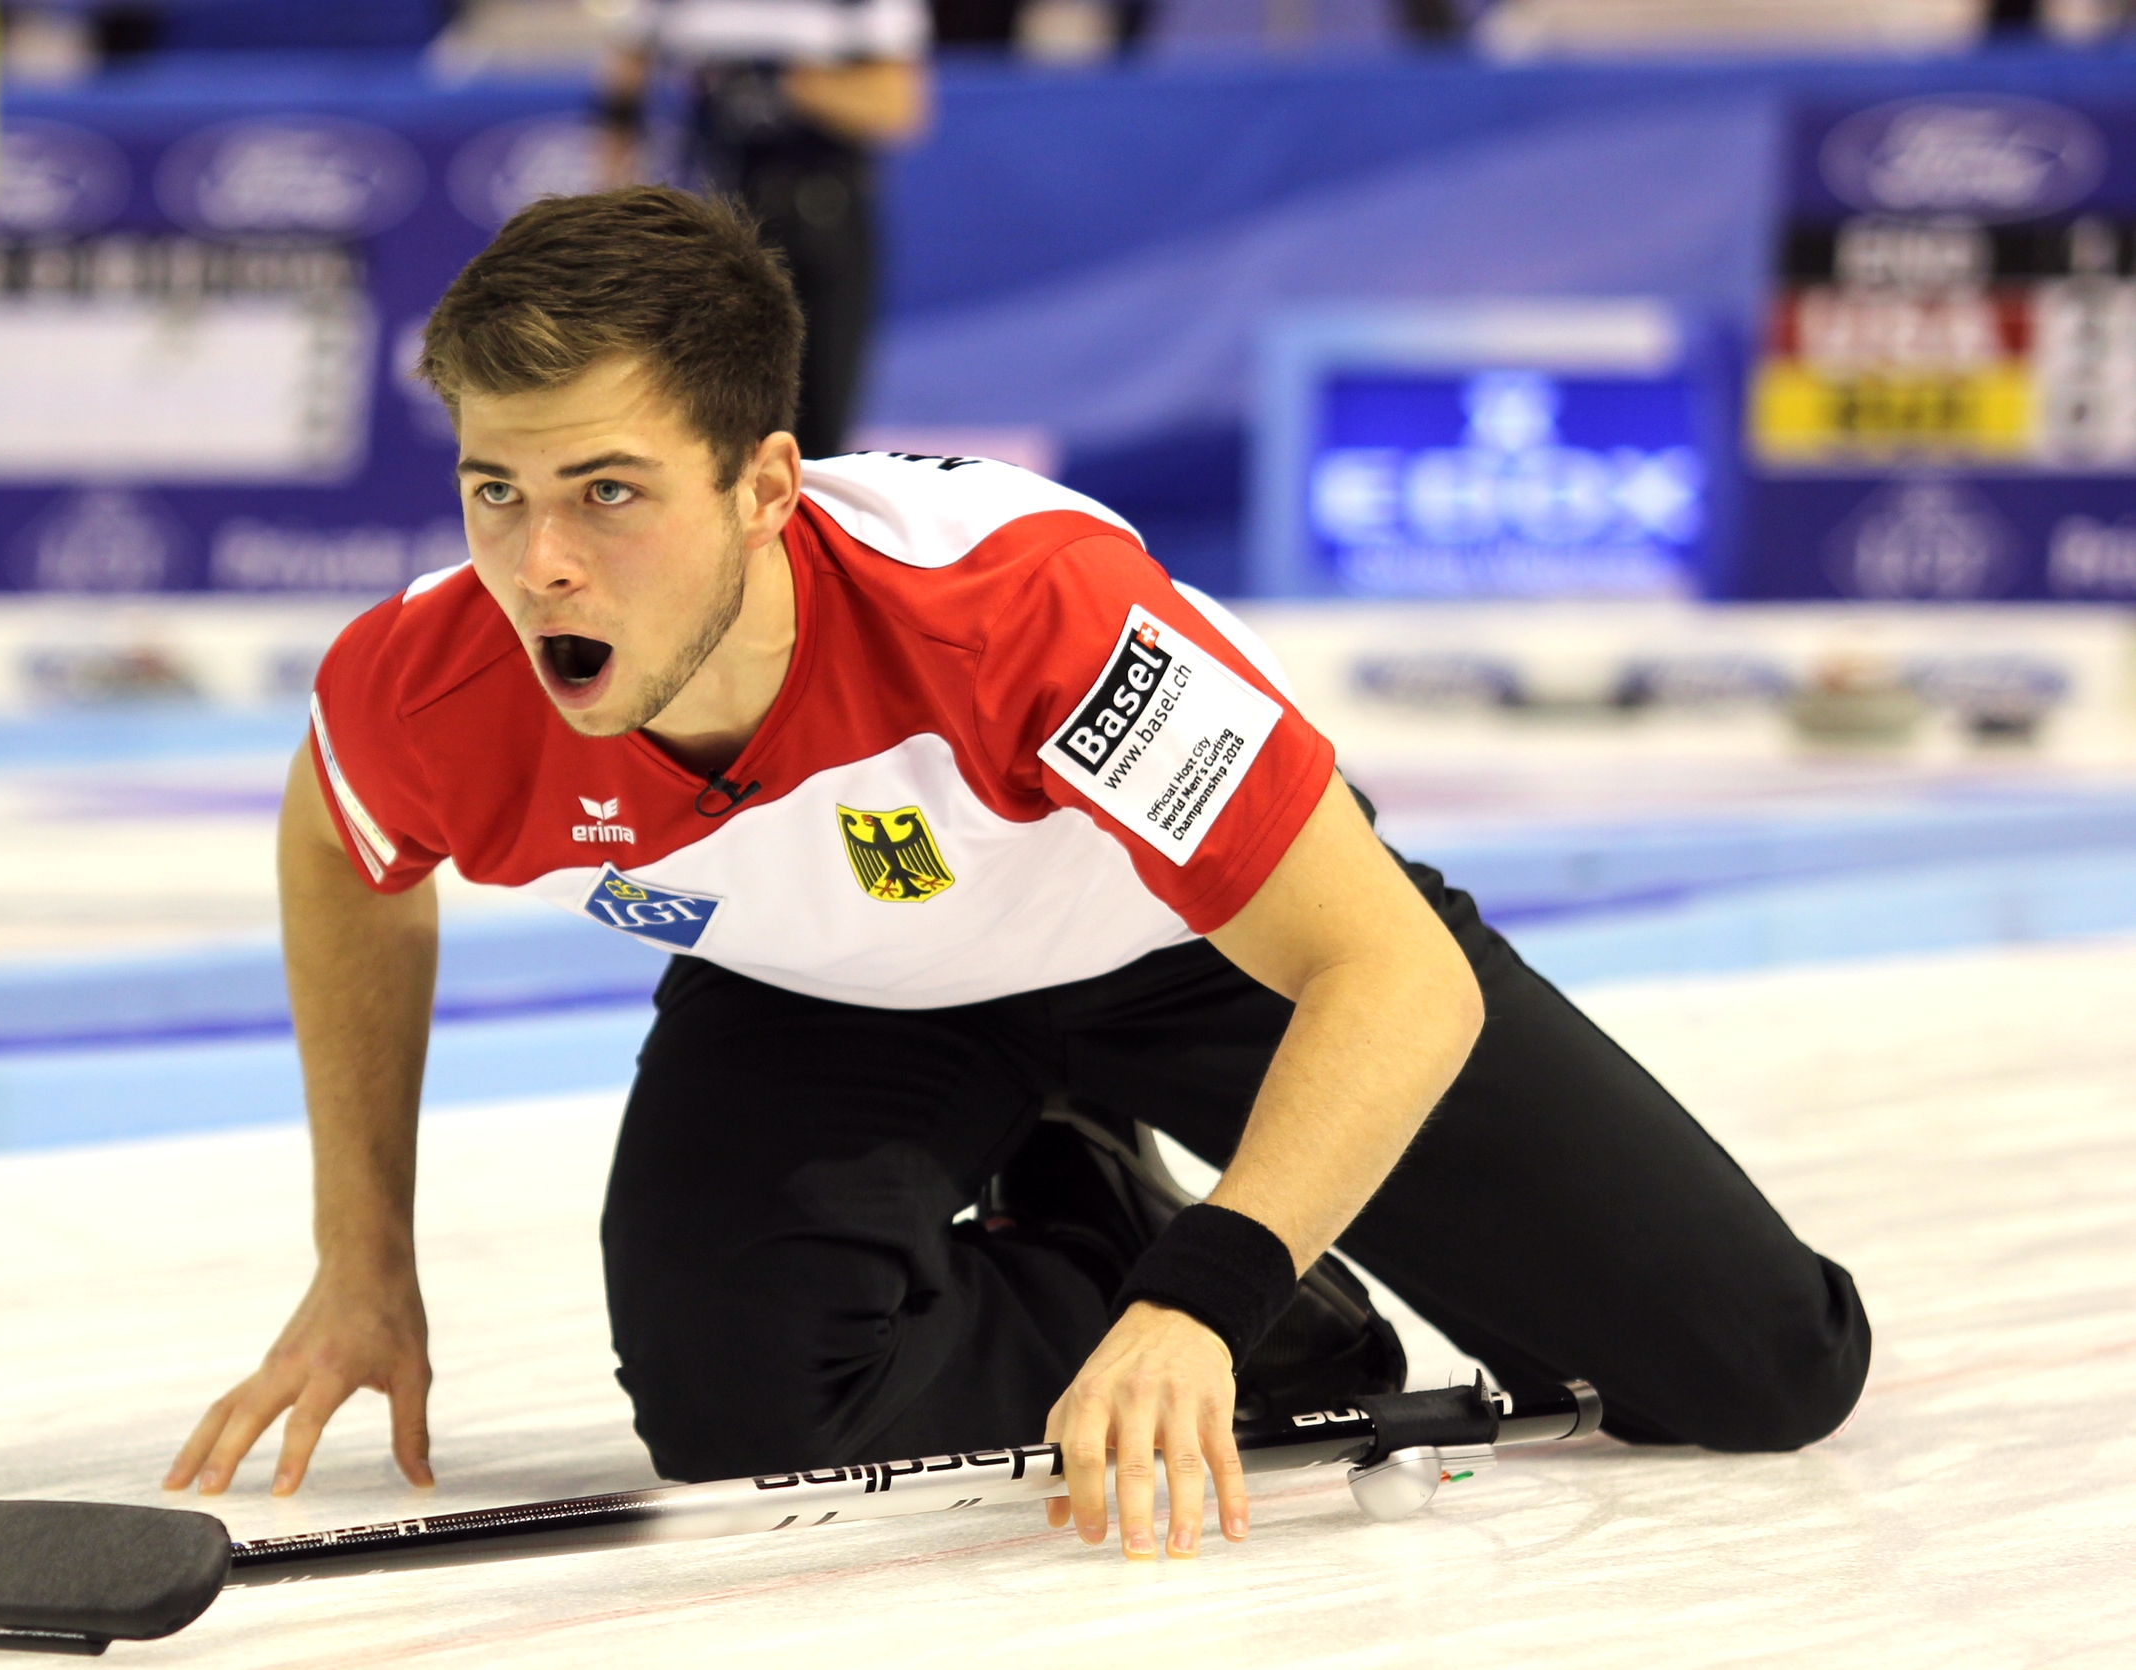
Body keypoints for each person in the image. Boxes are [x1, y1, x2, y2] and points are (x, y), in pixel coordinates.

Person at [168, 188, 1869, 1561]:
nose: (541, 564)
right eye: (496, 490)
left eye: (608, 493)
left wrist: (1204, 1297)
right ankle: (1198, 1279)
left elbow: (1385, 970)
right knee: (753, 1429)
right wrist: (361, 1258)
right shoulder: (434, 681)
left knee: (1754, 1371)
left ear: (768, 485)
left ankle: (1204, 1257)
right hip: (836, 986)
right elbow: (345, 845)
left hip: (1191, 942)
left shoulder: (1017, 609)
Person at [594, 0, 929, 459]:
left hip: (822, 220)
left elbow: (897, 107)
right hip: (715, 224)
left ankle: (802, 528)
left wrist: (782, 86)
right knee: (714, 424)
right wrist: (615, 204)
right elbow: (624, 82)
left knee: (814, 430)